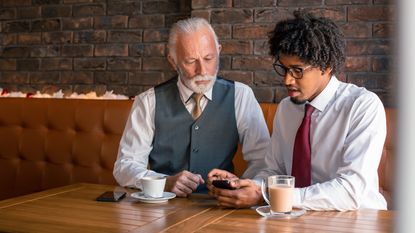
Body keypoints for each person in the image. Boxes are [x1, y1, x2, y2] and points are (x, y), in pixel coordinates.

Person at [207, 11, 387, 211]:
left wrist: (267, 195)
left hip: (359, 221)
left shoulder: (362, 106)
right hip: (294, 218)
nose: (287, 80)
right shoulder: (287, 108)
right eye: (284, 69)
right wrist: (247, 186)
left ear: (326, 66)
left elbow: (350, 191)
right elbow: (273, 171)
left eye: (297, 70)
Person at [113, 17, 270, 197]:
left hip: (220, 207)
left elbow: (263, 162)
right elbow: (125, 166)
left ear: (218, 51)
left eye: (208, 58)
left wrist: (242, 186)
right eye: (190, 61)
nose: (202, 70)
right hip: (163, 209)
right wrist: (162, 182)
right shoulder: (148, 101)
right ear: (173, 61)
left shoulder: (241, 96)